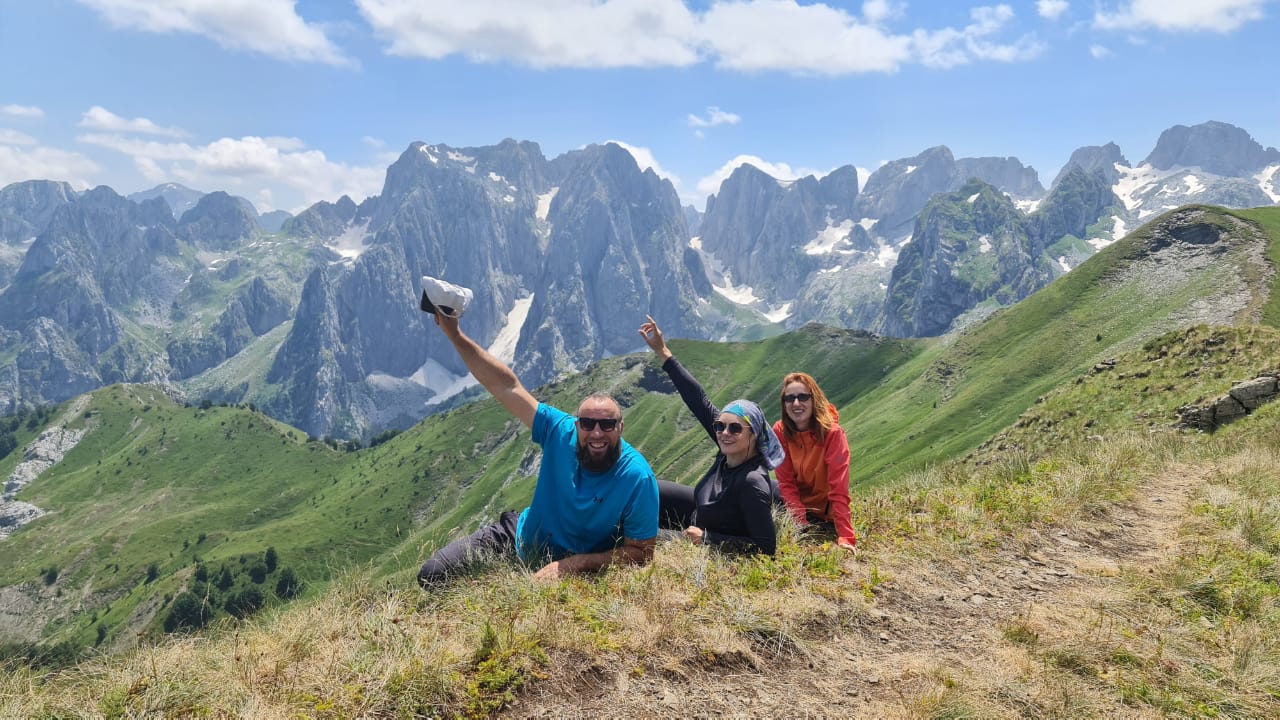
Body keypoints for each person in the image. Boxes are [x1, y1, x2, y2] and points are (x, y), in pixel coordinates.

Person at [416, 280, 659, 586]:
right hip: (517, 537)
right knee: (432, 575)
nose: (597, 433)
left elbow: (642, 553)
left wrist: (576, 564)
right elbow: (507, 386)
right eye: (588, 424)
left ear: (621, 428)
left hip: (574, 563)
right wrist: (455, 334)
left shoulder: (638, 477)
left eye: (607, 425)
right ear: (576, 425)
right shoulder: (559, 431)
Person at [639, 315, 784, 555]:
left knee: (633, 534)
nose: (725, 433)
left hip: (703, 532)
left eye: (735, 428)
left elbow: (766, 546)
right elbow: (699, 400)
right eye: (720, 426)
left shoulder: (752, 482)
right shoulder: (728, 451)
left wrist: (708, 539)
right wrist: (662, 351)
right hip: (699, 513)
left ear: (753, 435)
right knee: (642, 487)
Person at [772, 372, 856, 550]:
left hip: (822, 512)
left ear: (814, 399)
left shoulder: (832, 434)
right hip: (797, 507)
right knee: (755, 485)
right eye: (790, 398)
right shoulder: (780, 431)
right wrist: (800, 524)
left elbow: (838, 489)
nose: (796, 403)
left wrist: (846, 537)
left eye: (803, 397)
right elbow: (786, 483)